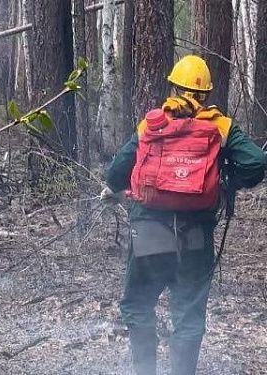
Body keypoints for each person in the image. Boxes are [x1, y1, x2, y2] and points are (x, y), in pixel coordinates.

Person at [101, 55, 266, 375]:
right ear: (207, 93)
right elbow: (256, 163)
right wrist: (226, 181)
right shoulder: (221, 126)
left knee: (138, 305)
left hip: (148, 235)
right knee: (188, 316)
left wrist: (120, 188)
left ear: (174, 87)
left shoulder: (151, 124)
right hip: (195, 238)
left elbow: (115, 175)